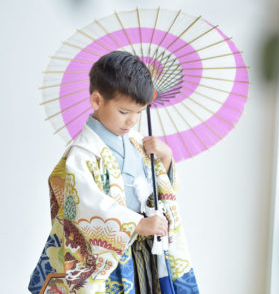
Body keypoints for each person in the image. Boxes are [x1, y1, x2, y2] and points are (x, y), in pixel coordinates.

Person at [29, 51, 199, 293]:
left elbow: (163, 193)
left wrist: (165, 158)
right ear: (97, 101)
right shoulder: (83, 153)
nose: (132, 121)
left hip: (144, 252)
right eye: (124, 112)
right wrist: (137, 225)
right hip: (110, 259)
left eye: (139, 112)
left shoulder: (138, 143)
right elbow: (84, 206)